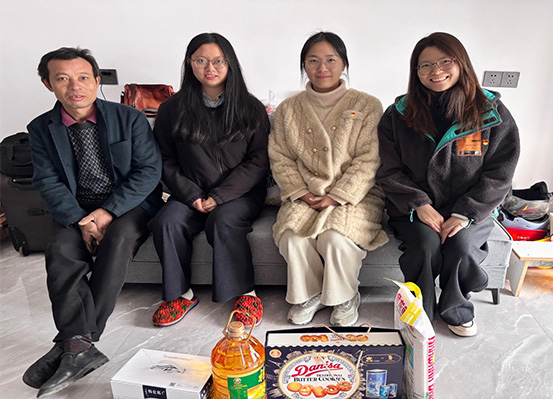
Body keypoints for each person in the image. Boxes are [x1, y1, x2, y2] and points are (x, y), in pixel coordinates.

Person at [23, 47, 163, 397]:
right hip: (75, 208)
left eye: (83, 77)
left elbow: (149, 171)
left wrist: (108, 212)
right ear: (48, 84)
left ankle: (74, 342)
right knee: (60, 251)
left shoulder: (128, 118)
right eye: (63, 79)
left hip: (128, 204)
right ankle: (78, 344)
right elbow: (47, 180)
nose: (75, 86)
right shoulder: (40, 128)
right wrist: (80, 220)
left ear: (97, 81)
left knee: (118, 240)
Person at [376, 32, 520, 337]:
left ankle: (456, 308)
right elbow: (388, 170)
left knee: (462, 246)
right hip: (414, 207)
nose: (436, 71)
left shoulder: (491, 113)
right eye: (425, 65)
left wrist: (465, 213)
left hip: (471, 207)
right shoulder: (398, 115)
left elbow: (500, 172)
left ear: (461, 63)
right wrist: (419, 204)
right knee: (425, 247)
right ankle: (420, 310)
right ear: (416, 72)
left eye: (445, 61)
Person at [150, 33, 270, 327]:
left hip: (239, 194)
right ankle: (180, 295)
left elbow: (259, 161)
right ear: (189, 63)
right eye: (201, 60)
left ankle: (246, 294)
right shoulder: (172, 109)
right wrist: (191, 195)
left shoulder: (250, 108)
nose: (210, 68)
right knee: (167, 221)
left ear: (230, 64)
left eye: (218, 61)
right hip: (189, 192)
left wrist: (220, 196)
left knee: (223, 220)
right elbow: (164, 159)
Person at [269, 31, 388, 327]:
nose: (322, 68)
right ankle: (309, 294)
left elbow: (369, 158)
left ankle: (345, 296)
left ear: (344, 63)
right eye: (313, 61)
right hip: (305, 193)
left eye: (331, 60)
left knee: (335, 237)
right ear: (304, 66)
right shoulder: (288, 109)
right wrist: (300, 191)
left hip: (355, 194)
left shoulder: (368, 105)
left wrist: (337, 196)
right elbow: (280, 156)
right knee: (291, 235)